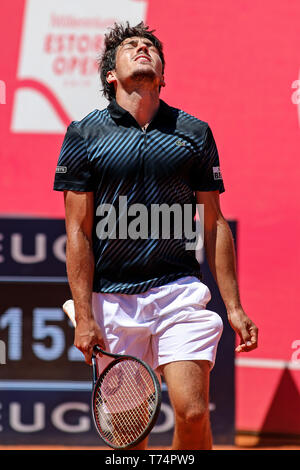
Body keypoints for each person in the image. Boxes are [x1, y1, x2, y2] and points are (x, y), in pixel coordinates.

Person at [53, 22, 258, 450]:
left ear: (163, 76)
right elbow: (78, 231)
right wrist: (86, 316)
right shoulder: (84, 135)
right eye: (131, 46)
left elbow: (215, 222)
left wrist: (234, 307)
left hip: (178, 293)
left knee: (192, 411)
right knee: (131, 436)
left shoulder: (193, 133)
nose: (143, 48)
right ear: (111, 74)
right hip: (112, 302)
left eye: (151, 47)